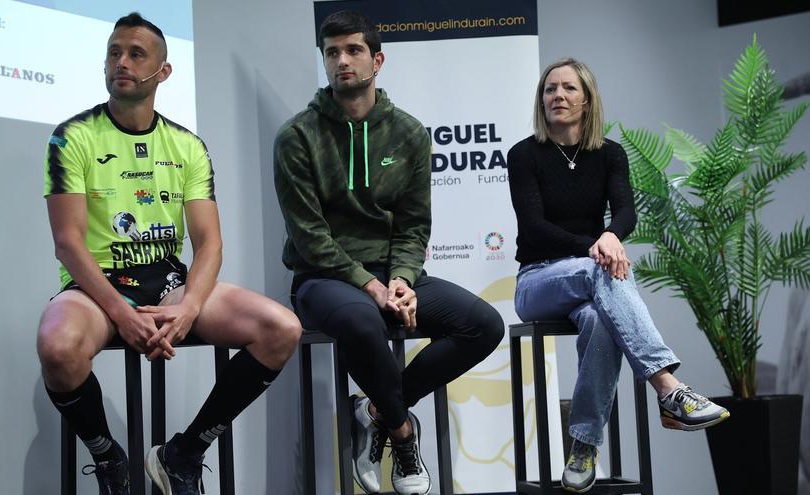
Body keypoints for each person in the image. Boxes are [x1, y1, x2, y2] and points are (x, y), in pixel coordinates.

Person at [37, 12, 301, 495]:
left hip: (168, 282)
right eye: (114, 52)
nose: (122, 62)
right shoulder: (72, 136)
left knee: (281, 329)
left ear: (163, 72)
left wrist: (189, 307)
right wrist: (122, 311)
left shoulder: (186, 145)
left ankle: (184, 454)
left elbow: (210, 243)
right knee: (58, 347)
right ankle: (109, 458)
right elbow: (68, 243)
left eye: (136, 54)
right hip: (97, 288)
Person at [273, 10, 504, 495]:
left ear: (377, 60)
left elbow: (415, 223)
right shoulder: (297, 137)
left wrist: (400, 278)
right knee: (363, 321)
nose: (342, 61)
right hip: (323, 279)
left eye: (353, 50)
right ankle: (402, 435)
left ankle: (375, 410)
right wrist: (372, 286)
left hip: (391, 274)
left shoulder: (409, 133)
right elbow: (310, 235)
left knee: (484, 325)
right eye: (332, 52)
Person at [506, 57, 730, 493]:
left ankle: (583, 445)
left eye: (569, 89)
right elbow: (534, 227)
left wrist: (610, 234)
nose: (558, 96)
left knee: (600, 322)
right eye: (550, 89)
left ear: (587, 100)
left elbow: (626, 210)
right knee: (599, 271)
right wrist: (597, 247)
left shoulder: (609, 154)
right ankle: (668, 388)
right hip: (539, 280)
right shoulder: (524, 154)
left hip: (593, 277)